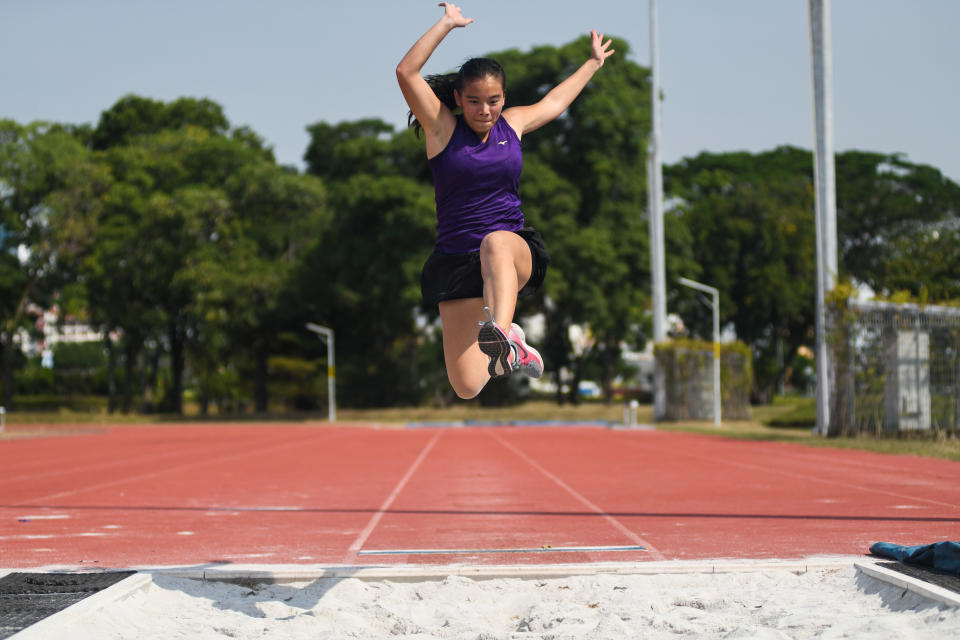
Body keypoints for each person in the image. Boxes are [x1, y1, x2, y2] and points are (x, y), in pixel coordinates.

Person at [397, 2, 614, 399]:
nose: (486, 110)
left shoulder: (511, 124)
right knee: (465, 386)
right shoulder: (442, 129)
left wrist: (592, 64)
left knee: (494, 241)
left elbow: (554, 103)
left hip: (511, 251)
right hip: (455, 259)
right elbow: (405, 72)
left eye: (494, 100)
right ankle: (507, 341)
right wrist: (446, 24)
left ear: (504, 97)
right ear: (459, 99)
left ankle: (504, 334)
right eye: (476, 101)